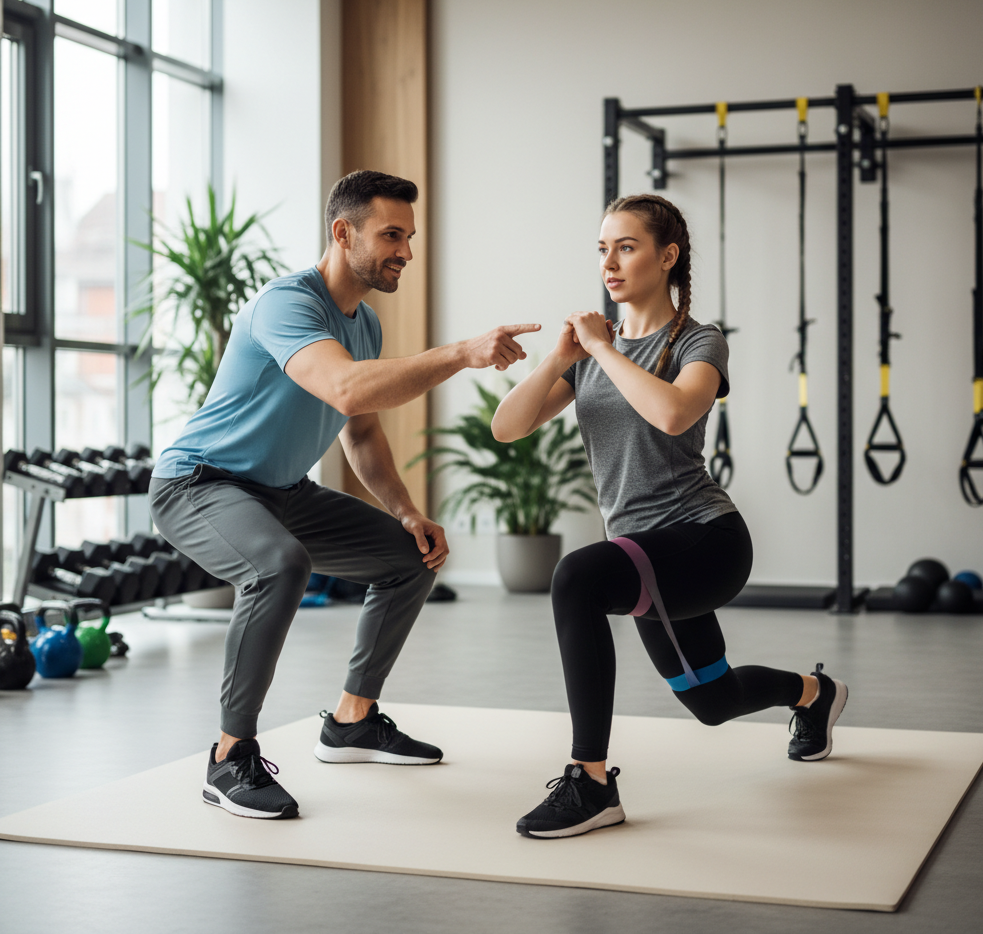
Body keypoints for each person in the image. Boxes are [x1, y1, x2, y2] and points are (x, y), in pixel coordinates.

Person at [150, 170, 538, 820]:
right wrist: (461, 353)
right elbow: (346, 388)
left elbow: (360, 431)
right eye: (391, 235)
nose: (405, 252)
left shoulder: (365, 325)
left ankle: (352, 721)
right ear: (343, 232)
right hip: (199, 483)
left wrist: (407, 513)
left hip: (282, 492)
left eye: (409, 237)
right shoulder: (286, 303)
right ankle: (228, 756)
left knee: (410, 556)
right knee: (279, 565)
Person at [491, 193, 848, 839]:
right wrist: (561, 359)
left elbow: (675, 413)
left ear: (667, 256)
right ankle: (813, 694)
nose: (609, 263)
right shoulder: (593, 354)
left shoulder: (698, 341)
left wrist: (602, 350)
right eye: (603, 249)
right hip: (643, 557)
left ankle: (591, 783)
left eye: (626, 247)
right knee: (712, 701)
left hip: (704, 543)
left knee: (576, 577)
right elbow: (507, 427)